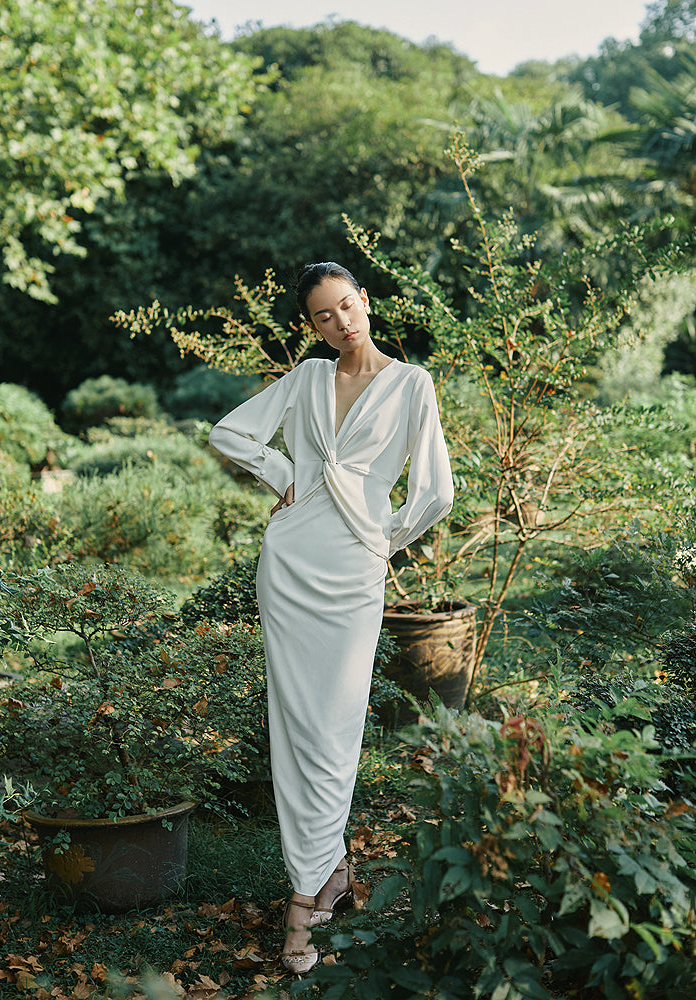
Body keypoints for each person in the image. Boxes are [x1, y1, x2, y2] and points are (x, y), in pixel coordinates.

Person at [208, 262, 454, 973]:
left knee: (335, 725)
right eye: (324, 315)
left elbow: (435, 491)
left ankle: (313, 889)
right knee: (295, 722)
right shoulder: (307, 379)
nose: (341, 323)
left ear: (365, 301)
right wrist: (286, 475)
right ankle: (318, 882)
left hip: (353, 571)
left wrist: (383, 538)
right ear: (311, 326)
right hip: (289, 564)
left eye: (347, 306)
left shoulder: (412, 384)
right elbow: (229, 433)